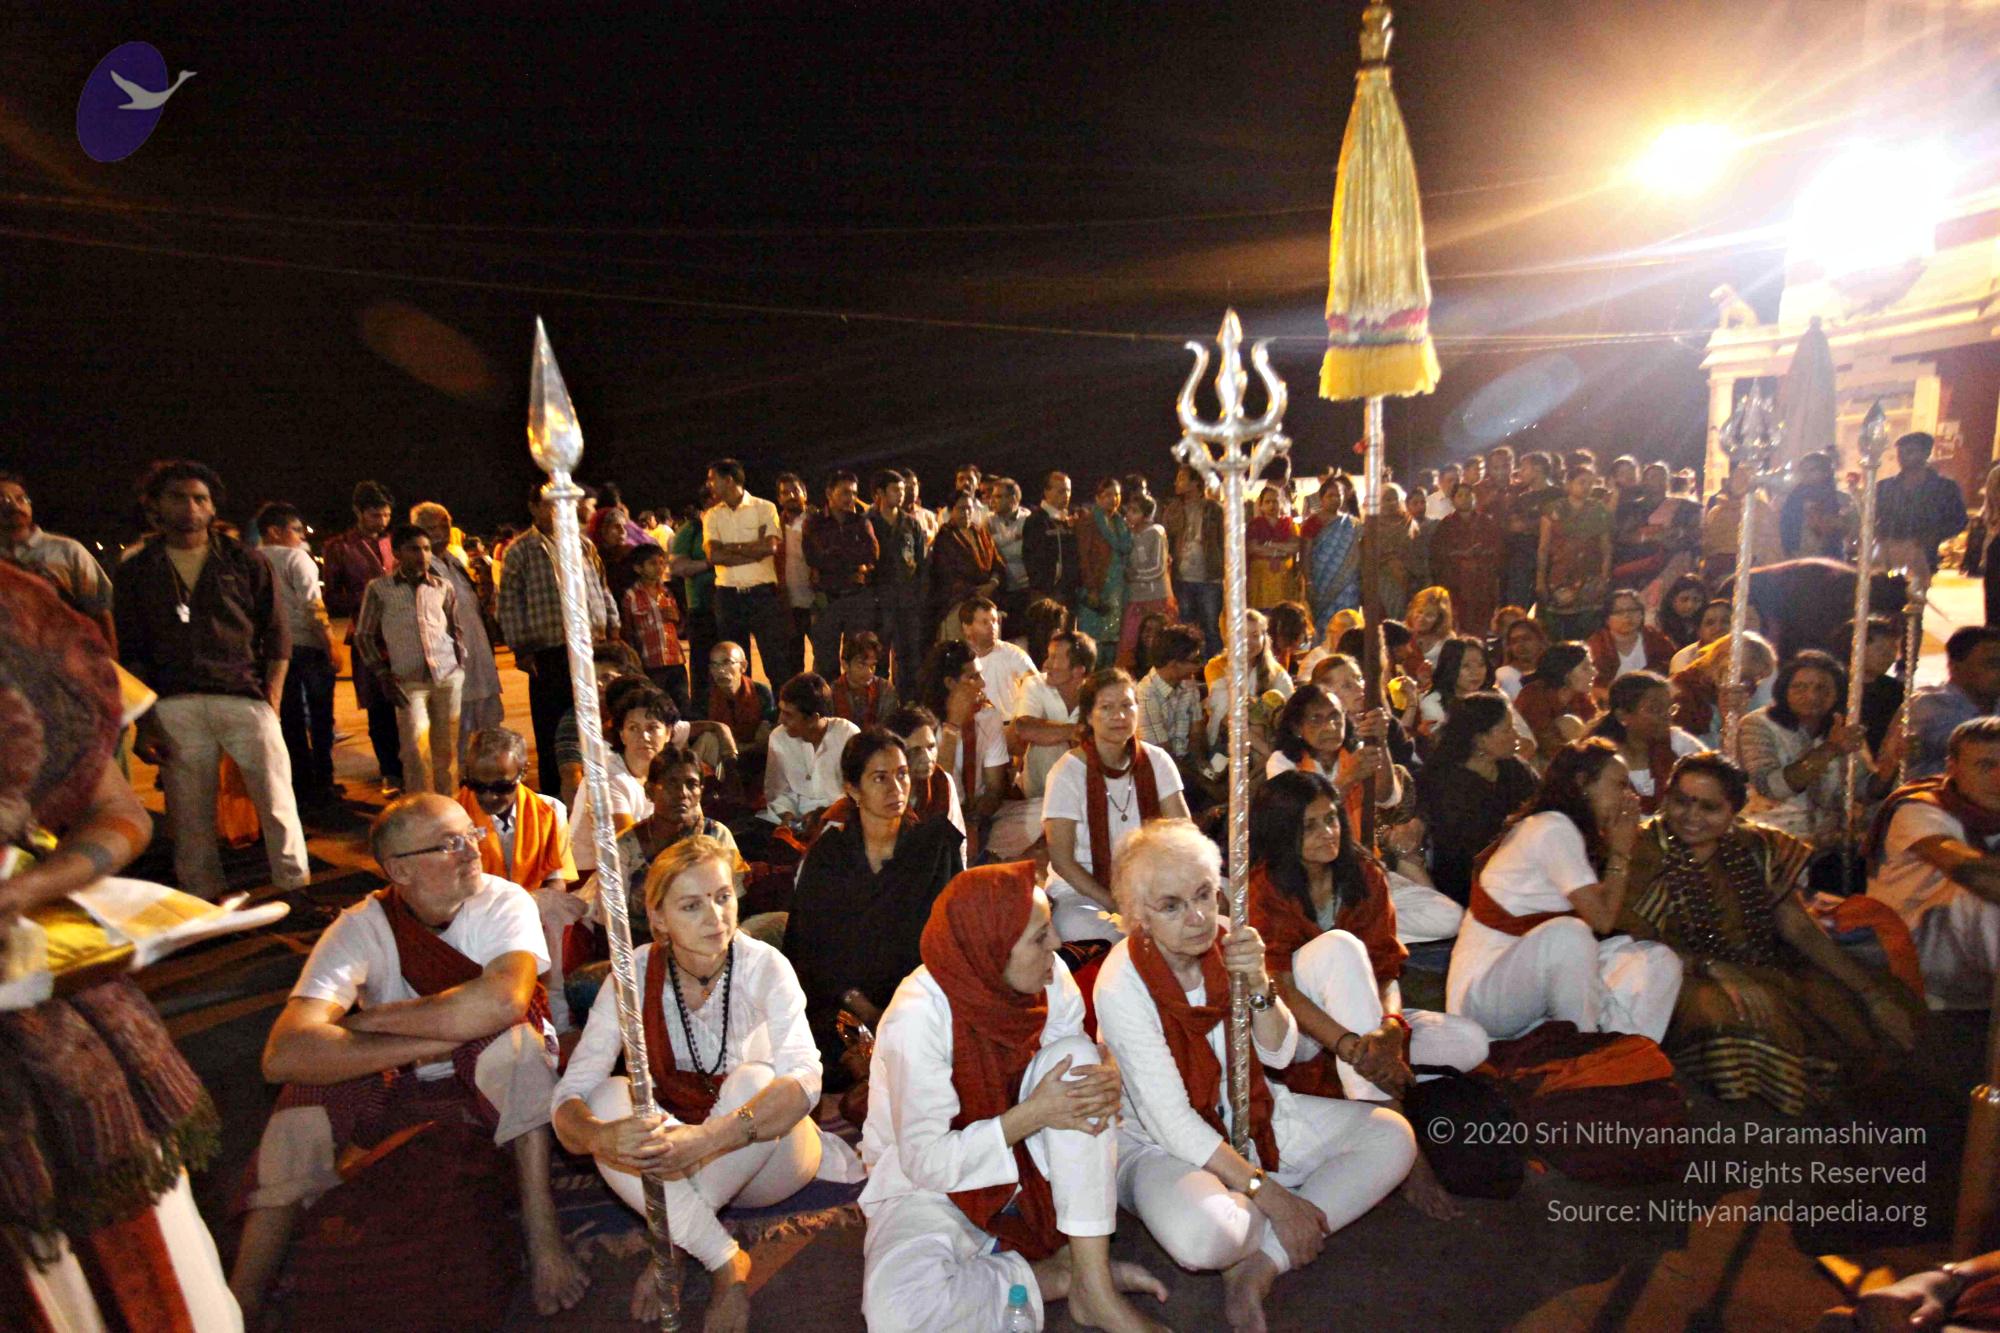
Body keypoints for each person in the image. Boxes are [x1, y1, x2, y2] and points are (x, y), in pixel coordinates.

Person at [230, 795, 588, 1320]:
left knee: (513, 1045)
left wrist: (371, 1020)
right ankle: (244, 1290)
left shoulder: (504, 901)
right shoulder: (361, 926)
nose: (473, 850)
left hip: (488, 1078)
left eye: (471, 834)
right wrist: (433, 1041)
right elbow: (283, 1052)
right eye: (449, 844)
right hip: (400, 1079)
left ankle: (542, 1234)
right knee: (304, 1092)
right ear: (400, 870)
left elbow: (502, 1002)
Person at [0, 563, 240, 1331]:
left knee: (146, 1266)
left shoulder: (18, 625)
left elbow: (120, 812)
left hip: (55, 1003)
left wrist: (31, 887)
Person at [1094, 820, 1416, 1332]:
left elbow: (1279, 1053)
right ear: (1138, 917)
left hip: (1250, 1115)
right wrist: (1272, 1196)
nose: (1198, 918)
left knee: (1393, 1137)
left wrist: (1261, 985)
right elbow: (1171, 1122)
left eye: (1204, 894)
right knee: (1204, 1239)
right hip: (1157, 1146)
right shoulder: (1120, 982)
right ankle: (1273, 1207)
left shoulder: (1231, 940)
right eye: (1171, 906)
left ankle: (1262, 1263)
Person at [552, 836, 863, 1326]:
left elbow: (806, 1080)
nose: (715, 917)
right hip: (679, 1150)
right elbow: (570, 1096)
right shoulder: (631, 976)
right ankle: (724, 1260)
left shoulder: (765, 966)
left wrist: (705, 1141)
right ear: (658, 919)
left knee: (754, 1080)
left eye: (723, 897)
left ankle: (675, 1243)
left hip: (769, 1157)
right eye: (691, 905)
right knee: (607, 1099)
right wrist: (598, 1136)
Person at [858, 861, 1169, 1333]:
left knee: (1077, 1062)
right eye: (1040, 937)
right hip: (929, 1185)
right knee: (897, 1314)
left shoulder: (1049, 978)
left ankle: (1095, 1287)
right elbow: (926, 1163)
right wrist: (1032, 1115)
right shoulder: (917, 1015)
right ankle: (1057, 1277)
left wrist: (1105, 1072)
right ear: (993, 947)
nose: (1058, 945)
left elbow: (1072, 1066)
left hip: (1029, 1161)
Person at [1620, 752, 1918, 1115]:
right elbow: (1631, 941)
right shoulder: (1641, 849)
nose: (1691, 816)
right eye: (1682, 801)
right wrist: (1712, 967)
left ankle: (1864, 1115)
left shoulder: (1756, 846)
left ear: (1734, 810)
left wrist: (1871, 995)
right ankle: (1764, 1124)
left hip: (1761, 962)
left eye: (1709, 807)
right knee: (1739, 1015)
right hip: (1678, 972)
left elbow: (1797, 927)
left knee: (1846, 1009)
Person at [1248, 771, 1489, 1216]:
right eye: (1309, 825)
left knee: (1471, 1042)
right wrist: (1350, 1045)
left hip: (1361, 1025)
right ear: (1281, 832)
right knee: (1339, 948)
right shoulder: (1263, 887)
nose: (1328, 833)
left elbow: (1386, 971)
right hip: (1295, 1034)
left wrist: (1390, 1029)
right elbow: (1279, 985)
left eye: (1331, 819)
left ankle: (1361, 1082)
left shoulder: (1363, 875)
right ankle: (1400, 1140)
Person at [115, 460, 311, 899]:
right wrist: (145, 722)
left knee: (277, 802)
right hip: (174, 704)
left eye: (199, 499)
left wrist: (273, 700)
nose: (190, 508)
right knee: (189, 814)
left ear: (212, 507)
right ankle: (205, 898)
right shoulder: (137, 569)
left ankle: (294, 888)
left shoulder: (244, 560)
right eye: (177, 498)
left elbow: (277, 634)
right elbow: (132, 651)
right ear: (155, 506)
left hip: (244, 696)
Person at [1446, 739, 1682, 1041]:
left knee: (1657, 960)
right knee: (1570, 935)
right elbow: (1602, 919)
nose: (1629, 797)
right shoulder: (1552, 827)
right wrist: (1621, 851)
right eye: (1619, 785)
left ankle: (1624, 1048)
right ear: (1583, 783)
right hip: (1484, 997)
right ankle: (1581, 1047)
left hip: (1529, 985)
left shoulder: (1572, 831)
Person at [784, 727, 966, 1080]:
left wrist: (906, 1008)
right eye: (880, 778)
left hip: (922, 1000)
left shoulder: (934, 847)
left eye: (902, 774)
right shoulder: (830, 856)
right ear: (853, 790)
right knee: (832, 1056)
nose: (896, 789)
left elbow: (954, 938)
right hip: (843, 1004)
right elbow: (809, 947)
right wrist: (864, 1008)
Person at [1041, 668, 1191, 942]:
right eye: (1106, 707)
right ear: (1089, 716)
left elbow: (1184, 837)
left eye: (1126, 705)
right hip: (1082, 893)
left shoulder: (1157, 761)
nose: (1119, 716)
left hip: (1148, 885)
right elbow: (1062, 861)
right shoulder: (1066, 772)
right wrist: (1116, 904)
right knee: (1097, 931)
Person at [1868, 717, 2000, 1009]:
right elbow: (1968, 871)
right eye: (1985, 766)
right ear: (1952, 767)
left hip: (1975, 960)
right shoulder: (1919, 808)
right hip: (1915, 948)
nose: (1998, 778)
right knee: (1982, 900)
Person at [500, 483, 619, 796]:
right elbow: (509, 603)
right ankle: (558, 796)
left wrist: (612, 625)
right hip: (548, 651)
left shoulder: (582, 544)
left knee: (595, 718)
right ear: (534, 508)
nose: (557, 512)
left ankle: (599, 789)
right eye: (549, 505)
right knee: (553, 726)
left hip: (591, 646)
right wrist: (521, 649)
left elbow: (601, 586)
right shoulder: (521, 550)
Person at [1739, 650, 1894, 847]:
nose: (1812, 696)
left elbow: (1861, 790)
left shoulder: (1842, 728)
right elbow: (1771, 788)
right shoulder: (1757, 725)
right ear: (1784, 690)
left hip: (1827, 842)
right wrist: (1830, 749)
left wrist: (1892, 762)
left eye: (1822, 688)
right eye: (1800, 687)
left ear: (1837, 693)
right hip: (1772, 839)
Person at [356, 523, 466, 797]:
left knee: (446, 751)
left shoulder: (442, 586)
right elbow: (364, 635)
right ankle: (421, 808)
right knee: (415, 748)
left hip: (447, 677)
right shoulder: (380, 589)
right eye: (414, 549)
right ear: (396, 552)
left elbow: (455, 629)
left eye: (426, 549)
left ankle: (449, 806)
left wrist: (460, 662)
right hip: (407, 681)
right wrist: (382, 674)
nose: (422, 555)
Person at [256, 501, 341, 809]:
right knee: (320, 717)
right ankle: (324, 780)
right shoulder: (297, 558)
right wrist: (330, 642)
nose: (301, 536)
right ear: (274, 531)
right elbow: (312, 604)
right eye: (295, 529)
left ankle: (301, 782)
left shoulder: (250, 560)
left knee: (289, 718)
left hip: (271, 650)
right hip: (306, 646)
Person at [1419, 692, 1540, 905]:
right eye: (1507, 730)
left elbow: (1542, 806)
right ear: (1479, 739)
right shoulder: (1446, 782)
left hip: (1520, 867)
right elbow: (1464, 849)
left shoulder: (1514, 768)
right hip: (1471, 882)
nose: (1516, 736)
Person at [322, 479, 403, 791]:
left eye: (386, 515)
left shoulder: (397, 542)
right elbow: (332, 597)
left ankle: (413, 765)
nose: (381, 521)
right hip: (367, 635)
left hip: (404, 634)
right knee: (379, 706)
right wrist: (371, 597)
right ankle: (390, 771)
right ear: (358, 512)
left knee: (410, 704)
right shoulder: (340, 547)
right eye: (375, 515)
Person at [703, 458, 799, 689]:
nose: (709, 485)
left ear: (728, 480)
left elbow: (770, 547)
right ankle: (745, 708)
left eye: (712, 479)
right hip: (728, 596)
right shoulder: (712, 515)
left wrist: (730, 548)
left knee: (776, 661)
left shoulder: (764, 508)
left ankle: (781, 709)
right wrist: (753, 550)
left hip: (762, 595)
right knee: (734, 664)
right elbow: (714, 556)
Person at [457, 726, 577, 896]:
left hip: (533, 906)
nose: (489, 796)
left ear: (524, 771)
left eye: (501, 787)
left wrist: (519, 906)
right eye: (477, 786)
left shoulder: (550, 811)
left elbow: (556, 881)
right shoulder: (453, 817)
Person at [0, 468, 115, 643]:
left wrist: (110, 653)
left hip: (66, 652)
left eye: (21, 498)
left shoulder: (67, 550)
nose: (15, 506)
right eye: (3, 500)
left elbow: (100, 609)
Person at [762, 671, 862, 835]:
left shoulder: (847, 734)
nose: (780, 720)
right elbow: (778, 792)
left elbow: (859, 793)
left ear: (813, 719)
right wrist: (788, 818)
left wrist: (824, 816)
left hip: (841, 822)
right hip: (797, 823)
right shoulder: (779, 737)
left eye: (788, 715)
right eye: (781, 711)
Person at [803, 468, 880, 680]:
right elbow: (814, 558)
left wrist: (834, 554)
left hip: (857, 599)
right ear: (829, 493)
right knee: (825, 662)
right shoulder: (814, 523)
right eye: (845, 492)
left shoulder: (860, 521)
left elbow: (872, 553)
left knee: (858, 659)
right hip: (827, 600)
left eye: (854, 493)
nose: (851, 498)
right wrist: (853, 559)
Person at [1587, 671, 1703, 812]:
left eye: (1670, 709)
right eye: (1655, 709)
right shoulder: (1598, 758)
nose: (1666, 716)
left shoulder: (1680, 744)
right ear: (1622, 715)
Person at [1905, 626, 2000, 779]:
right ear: (1955, 667)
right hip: (1937, 792)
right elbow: (1973, 746)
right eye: (1992, 664)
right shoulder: (1929, 704)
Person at [1011, 629, 1095, 803]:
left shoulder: (1097, 695)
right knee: (1048, 746)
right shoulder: (1035, 684)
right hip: (1038, 796)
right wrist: (1076, 732)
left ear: (1078, 670)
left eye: (1054, 658)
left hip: (1083, 795)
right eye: (1049, 656)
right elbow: (1025, 728)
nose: (1046, 664)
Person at [869, 468, 931, 689]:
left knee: (909, 658)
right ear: (880, 493)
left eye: (903, 489)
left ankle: (907, 702)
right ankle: (880, 702)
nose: (901, 494)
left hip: (908, 601)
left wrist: (920, 596)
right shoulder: (868, 523)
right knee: (878, 658)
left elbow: (921, 563)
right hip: (879, 602)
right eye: (895, 490)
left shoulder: (911, 524)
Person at [1876, 430, 1969, 576]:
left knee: (1916, 589)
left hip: (1923, 557)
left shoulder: (1944, 488)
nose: (1903, 457)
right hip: (1887, 558)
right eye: (1900, 453)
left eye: (1910, 451)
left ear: (1926, 454)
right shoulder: (1886, 487)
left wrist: (1932, 537)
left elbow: (1959, 520)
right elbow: (1871, 517)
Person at [1538, 462, 1613, 641]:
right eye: (1582, 482)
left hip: (1590, 576)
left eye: (1590, 483)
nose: (1586, 487)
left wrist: (1604, 578)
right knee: (1558, 628)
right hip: (1560, 574)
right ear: (1568, 484)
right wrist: (1540, 580)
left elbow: (1606, 548)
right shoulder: (1553, 509)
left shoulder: (1599, 510)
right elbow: (1544, 548)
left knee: (1588, 630)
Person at [1670, 629, 1777, 749]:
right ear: (1721, 662)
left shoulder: (1746, 692)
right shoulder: (1683, 690)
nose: (1749, 685)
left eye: (1753, 680)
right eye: (1745, 678)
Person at [1428, 481, 1505, 644]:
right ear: (1453, 500)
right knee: (1457, 625)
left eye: (1468, 495)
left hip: (1482, 585)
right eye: (1460, 495)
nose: (1465, 499)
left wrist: (1481, 555)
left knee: (1481, 627)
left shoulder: (1486, 522)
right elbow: (1438, 554)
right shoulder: (1446, 525)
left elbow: (1497, 549)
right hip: (1456, 584)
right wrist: (1462, 554)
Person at [619, 541, 690, 712]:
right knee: (656, 707)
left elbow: (680, 629)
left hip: (675, 659)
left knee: (682, 705)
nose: (659, 567)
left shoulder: (667, 592)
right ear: (638, 568)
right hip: (650, 663)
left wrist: (677, 618)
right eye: (652, 563)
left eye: (661, 562)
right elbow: (627, 631)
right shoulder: (631, 596)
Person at [1165, 464, 1226, 657]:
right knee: (1186, 629)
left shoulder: (1214, 509)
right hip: (1182, 577)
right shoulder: (1174, 509)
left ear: (1195, 483)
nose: (1176, 482)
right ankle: (1190, 667)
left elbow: (1225, 542)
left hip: (1210, 578)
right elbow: (1167, 539)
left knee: (1211, 627)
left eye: (1182, 478)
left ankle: (1214, 667)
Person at [1135, 622, 1209, 779]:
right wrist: (1202, 783)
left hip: (1186, 764)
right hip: (1159, 772)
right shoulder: (1146, 694)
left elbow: (1197, 733)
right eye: (1195, 660)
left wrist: (1204, 768)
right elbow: (1161, 755)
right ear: (1174, 664)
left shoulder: (1187, 683)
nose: (1200, 665)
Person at [1297, 476, 1361, 646]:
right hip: (1320, 583)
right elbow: (1305, 555)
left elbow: (1358, 553)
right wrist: (1308, 582)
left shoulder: (1352, 523)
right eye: (1330, 495)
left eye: (1338, 495)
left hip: (1348, 585)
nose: (1335, 499)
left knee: (1348, 622)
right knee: (1323, 625)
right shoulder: (1312, 522)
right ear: (1321, 498)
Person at [930, 489, 1002, 638]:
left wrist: (993, 583)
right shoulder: (945, 538)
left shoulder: (981, 533)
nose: (967, 513)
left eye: (969, 508)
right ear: (951, 511)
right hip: (959, 602)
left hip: (988, 599)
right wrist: (975, 591)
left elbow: (997, 562)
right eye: (961, 509)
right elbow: (946, 574)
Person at [1512, 641, 1600, 761]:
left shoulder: (1580, 697)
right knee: (1569, 724)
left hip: (1573, 758)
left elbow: (1595, 731)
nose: (1594, 672)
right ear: (1566, 673)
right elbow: (1544, 742)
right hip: (1538, 760)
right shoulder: (1534, 696)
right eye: (1585, 668)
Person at [1118, 493, 1177, 669]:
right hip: (1135, 597)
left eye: (1135, 511)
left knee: (1158, 642)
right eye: (1128, 510)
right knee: (1130, 642)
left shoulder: (1155, 532)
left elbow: (1158, 567)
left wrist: (1134, 576)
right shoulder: (1128, 534)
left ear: (1146, 515)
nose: (1129, 514)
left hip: (1155, 596)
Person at [668, 483, 719, 686]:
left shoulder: (733, 526)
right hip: (702, 608)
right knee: (702, 667)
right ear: (708, 502)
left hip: (732, 606)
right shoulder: (692, 530)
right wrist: (710, 563)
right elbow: (677, 567)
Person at [1699, 463, 1781, 584]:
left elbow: (1707, 544)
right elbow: (1772, 545)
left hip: (1735, 572)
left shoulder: (1717, 512)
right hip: (1734, 573)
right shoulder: (1717, 511)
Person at [1074, 476, 1132, 648]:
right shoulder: (1089, 522)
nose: (1113, 499)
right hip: (1097, 586)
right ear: (1098, 498)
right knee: (1093, 638)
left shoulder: (1121, 523)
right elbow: (1084, 557)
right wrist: (1091, 588)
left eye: (1117, 495)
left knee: (1112, 638)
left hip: (1117, 588)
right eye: (1108, 495)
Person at [1584, 588, 1676, 690]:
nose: (1627, 616)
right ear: (1607, 619)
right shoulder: (1596, 646)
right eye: (1619, 612)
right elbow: (1592, 684)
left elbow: (1671, 674)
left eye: (1632, 610)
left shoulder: (1657, 640)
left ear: (1642, 614)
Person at [962, 594, 1037, 716]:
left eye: (995, 621)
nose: (992, 627)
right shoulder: (959, 660)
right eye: (985, 622)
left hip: (1010, 724)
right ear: (967, 627)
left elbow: (1035, 685)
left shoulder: (1013, 654)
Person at [1780, 450, 1857, 560]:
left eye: (1811, 470)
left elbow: (1852, 530)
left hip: (1831, 558)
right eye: (1803, 470)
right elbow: (1785, 528)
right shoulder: (1793, 499)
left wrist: (1829, 522)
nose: (1805, 474)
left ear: (1826, 472)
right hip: (1798, 557)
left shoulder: (1842, 500)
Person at [1023, 470, 1080, 612]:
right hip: (1046, 593)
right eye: (1061, 491)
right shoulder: (1036, 520)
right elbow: (1031, 558)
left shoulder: (1069, 520)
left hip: (1069, 592)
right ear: (1046, 492)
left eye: (1068, 490)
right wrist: (1045, 585)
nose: (1066, 495)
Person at [830, 628, 898, 728]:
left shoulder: (885, 690)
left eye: (872, 666)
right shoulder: (832, 693)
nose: (869, 672)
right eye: (861, 665)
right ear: (845, 665)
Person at [987, 476, 1033, 621]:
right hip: (1000, 588)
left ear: (1013, 499)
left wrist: (1000, 541)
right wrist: (1014, 537)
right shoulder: (988, 521)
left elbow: (1025, 551)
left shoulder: (1028, 519)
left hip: (1025, 587)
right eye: (993, 496)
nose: (992, 500)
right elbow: (989, 549)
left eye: (998, 496)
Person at [1494, 614, 1548, 700]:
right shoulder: (1504, 675)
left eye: (1526, 639)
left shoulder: (1552, 673)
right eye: (1514, 641)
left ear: (1540, 640)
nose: (1520, 645)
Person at [1655, 573, 1709, 650]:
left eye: (1696, 600)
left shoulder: (1705, 625)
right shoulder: (1659, 625)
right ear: (1672, 600)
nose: (1690, 605)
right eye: (1684, 599)